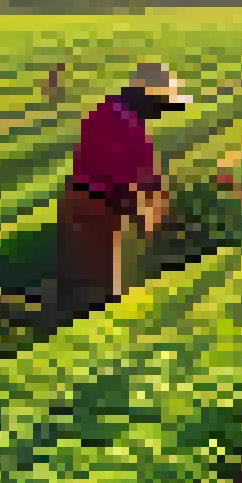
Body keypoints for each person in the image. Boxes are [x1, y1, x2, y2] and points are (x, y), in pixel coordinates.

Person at [57, 62, 193, 315]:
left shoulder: (106, 109)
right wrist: (149, 221)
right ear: (149, 100)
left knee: (78, 276)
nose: (164, 112)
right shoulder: (132, 131)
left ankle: (65, 313)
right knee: (104, 290)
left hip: (73, 200)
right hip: (100, 208)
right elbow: (130, 184)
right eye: (163, 105)